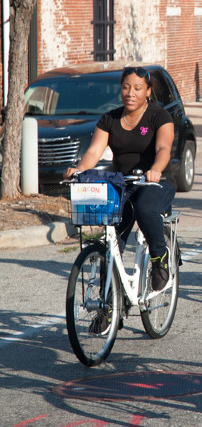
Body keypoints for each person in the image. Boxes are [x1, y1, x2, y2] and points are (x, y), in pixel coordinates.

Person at [64, 66, 176, 298]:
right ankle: (107, 307)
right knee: (111, 244)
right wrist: (80, 169)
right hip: (122, 184)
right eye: (126, 87)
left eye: (137, 88)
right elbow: (94, 151)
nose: (130, 93)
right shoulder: (110, 119)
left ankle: (159, 258)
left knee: (145, 209)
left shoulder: (159, 116)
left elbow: (164, 148)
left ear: (148, 91)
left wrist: (155, 169)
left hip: (155, 182)